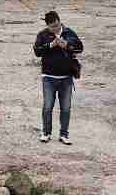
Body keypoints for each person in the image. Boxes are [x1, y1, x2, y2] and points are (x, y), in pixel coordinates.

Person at [33, 11, 83, 144]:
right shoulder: (43, 34)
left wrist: (66, 45)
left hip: (66, 78)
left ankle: (64, 134)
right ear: (47, 26)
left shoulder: (69, 32)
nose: (54, 29)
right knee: (48, 106)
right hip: (48, 77)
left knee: (66, 108)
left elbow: (79, 47)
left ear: (59, 21)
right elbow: (37, 52)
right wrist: (51, 45)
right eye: (51, 27)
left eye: (56, 25)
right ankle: (46, 133)